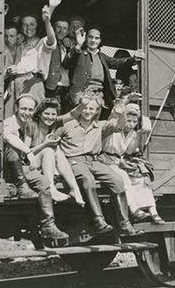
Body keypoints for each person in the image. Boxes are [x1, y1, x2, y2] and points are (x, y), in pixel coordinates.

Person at [55, 95, 141, 236]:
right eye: (86, 108)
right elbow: (54, 140)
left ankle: (124, 223)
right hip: (73, 160)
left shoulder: (100, 126)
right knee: (87, 179)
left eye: (92, 109)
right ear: (81, 108)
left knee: (117, 179)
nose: (88, 111)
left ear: (96, 111)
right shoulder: (68, 125)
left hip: (94, 160)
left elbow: (120, 125)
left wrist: (122, 112)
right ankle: (99, 221)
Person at [3, 94, 70, 246]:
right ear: (16, 108)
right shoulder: (10, 123)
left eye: (30, 109)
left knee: (44, 181)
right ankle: (22, 185)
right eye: (23, 109)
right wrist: (28, 151)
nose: (26, 112)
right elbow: (8, 137)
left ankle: (48, 225)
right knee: (12, 147)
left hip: (24, 167)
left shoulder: (27, 124)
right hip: (8, 170)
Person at [101, 102, 165, 225]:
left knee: (141, 178)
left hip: (118, 161)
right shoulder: (113, 128)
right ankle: (134, 210)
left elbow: (129, 151)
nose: (130, 124)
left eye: (134, 121)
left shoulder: (132, 134)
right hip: (105, 160)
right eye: (128, 120)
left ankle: (153, 211)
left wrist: (139, 135)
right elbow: (113, 117)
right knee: (124, 177)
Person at [63, 27, 145, 117]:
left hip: (99, 97)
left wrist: (133, 59)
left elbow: (117, 63)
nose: (93, 40)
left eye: (96, 38)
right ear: (86, 38)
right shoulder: (79, 53)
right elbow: (66, 63)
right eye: (90, 37)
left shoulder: (102, 57)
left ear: (100, 40)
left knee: (95, 125)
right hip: (82, 96)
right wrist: (78, 45)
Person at [27, 98, 86, 207]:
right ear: (39, 114)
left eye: (53, 114)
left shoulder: (54, 124)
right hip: (31, 163)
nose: (50, 117)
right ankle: (52, 189)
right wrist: (45, 144)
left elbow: (72, 114)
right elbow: (26, 153)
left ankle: (75, 189)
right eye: (46, 113)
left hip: (48, 163)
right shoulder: (31, 126)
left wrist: (83, 104)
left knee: (58, 151)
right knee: (49, 149)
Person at [7, 0, 63, 103]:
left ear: (37, 25)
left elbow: (51, 39)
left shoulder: (42, 43)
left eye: (32, 24)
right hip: (15, 84)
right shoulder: (20, 44)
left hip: (32, 84)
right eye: (25, 25)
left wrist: (47, 21)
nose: (28, 28)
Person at [44, 18, 71, 107]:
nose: (61, 31)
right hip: (50, 86)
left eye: (64, 28)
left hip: (65, 86)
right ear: (53, 29)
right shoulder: (48, 43)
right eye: (58, 27)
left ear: (67, 32)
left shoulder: (67, 46)